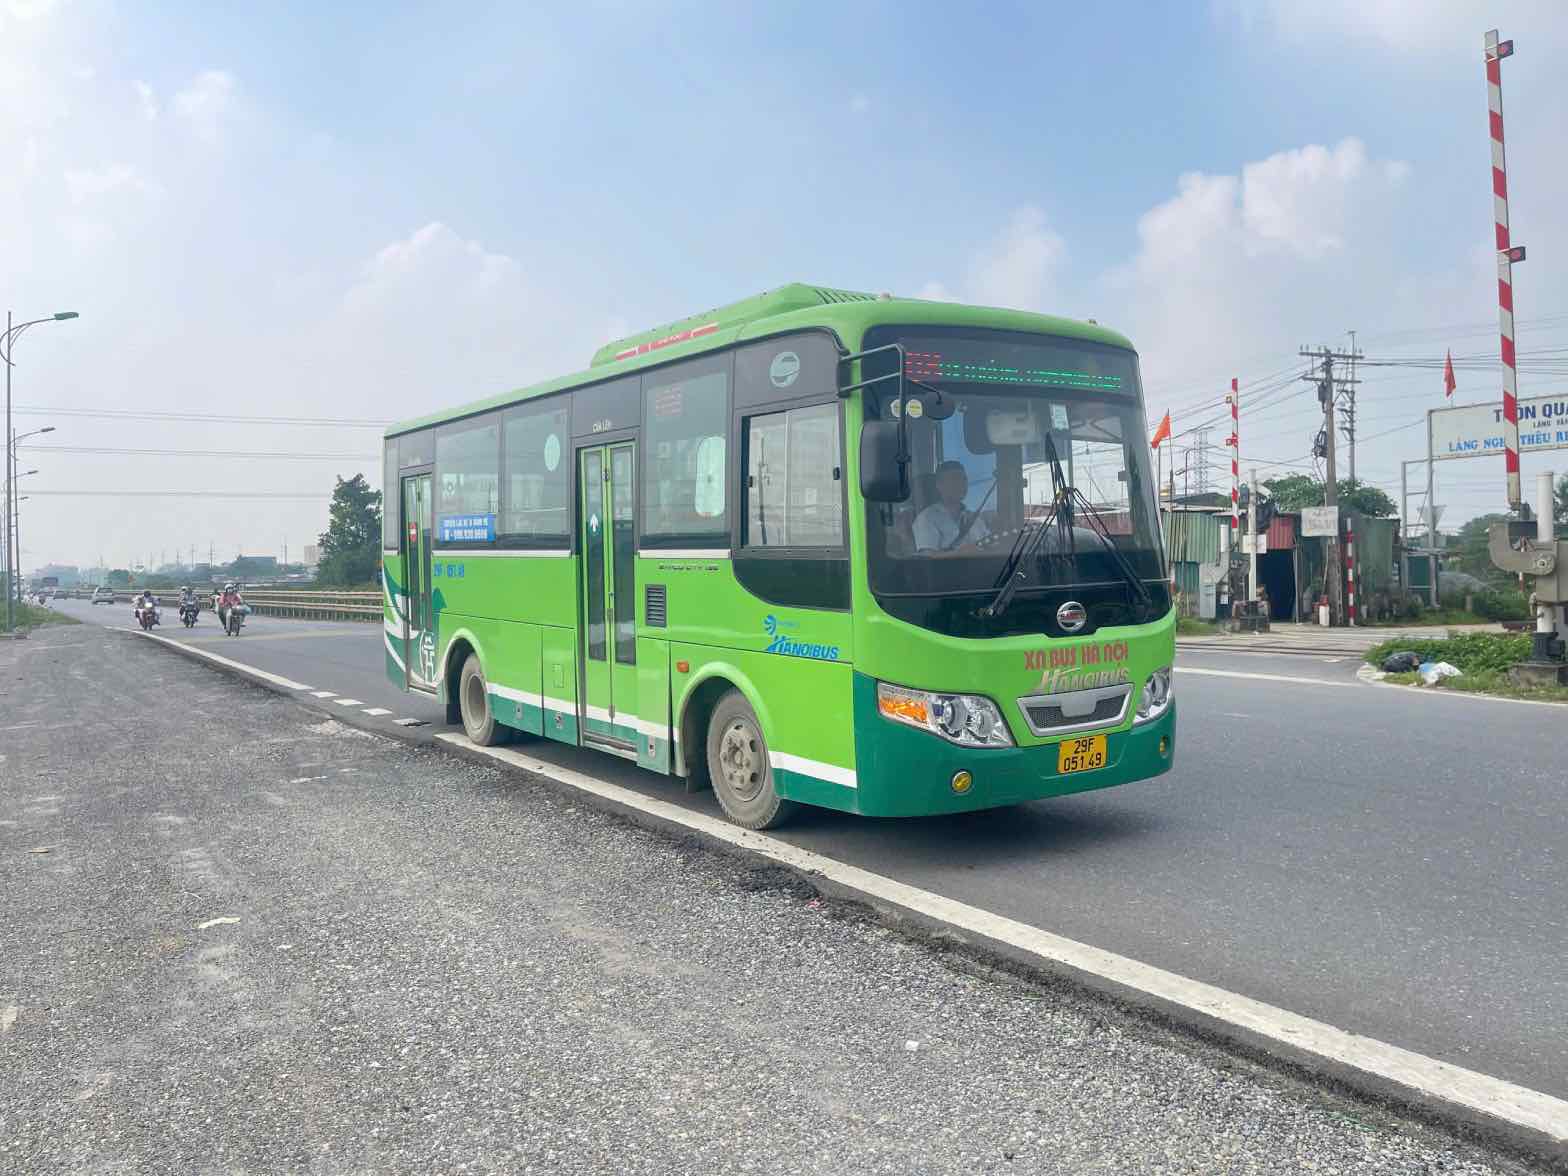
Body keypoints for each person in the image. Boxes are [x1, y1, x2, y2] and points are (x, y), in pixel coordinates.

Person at [913, 460, 990, 552]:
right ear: (939, 485)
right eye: (955, 479)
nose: (961, 484)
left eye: (964, 479)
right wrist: (963, 552)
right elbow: (928, 558)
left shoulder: (976, 519)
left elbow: (990, 547)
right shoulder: (926, 518)